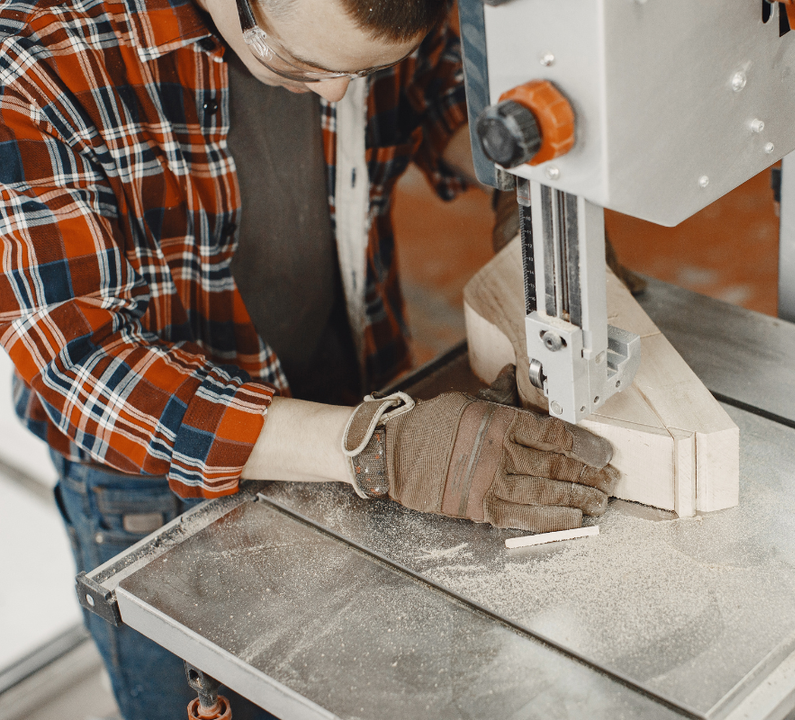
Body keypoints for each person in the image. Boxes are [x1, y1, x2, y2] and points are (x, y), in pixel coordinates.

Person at [0, 0, 620, 714]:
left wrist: (541, 198)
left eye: (365, 72)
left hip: (357, 378)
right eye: (299, 65)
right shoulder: (37, 67)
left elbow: (446, 96)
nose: (334, 95)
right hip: (160, 483)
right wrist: (382, 448)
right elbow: (83, 369)